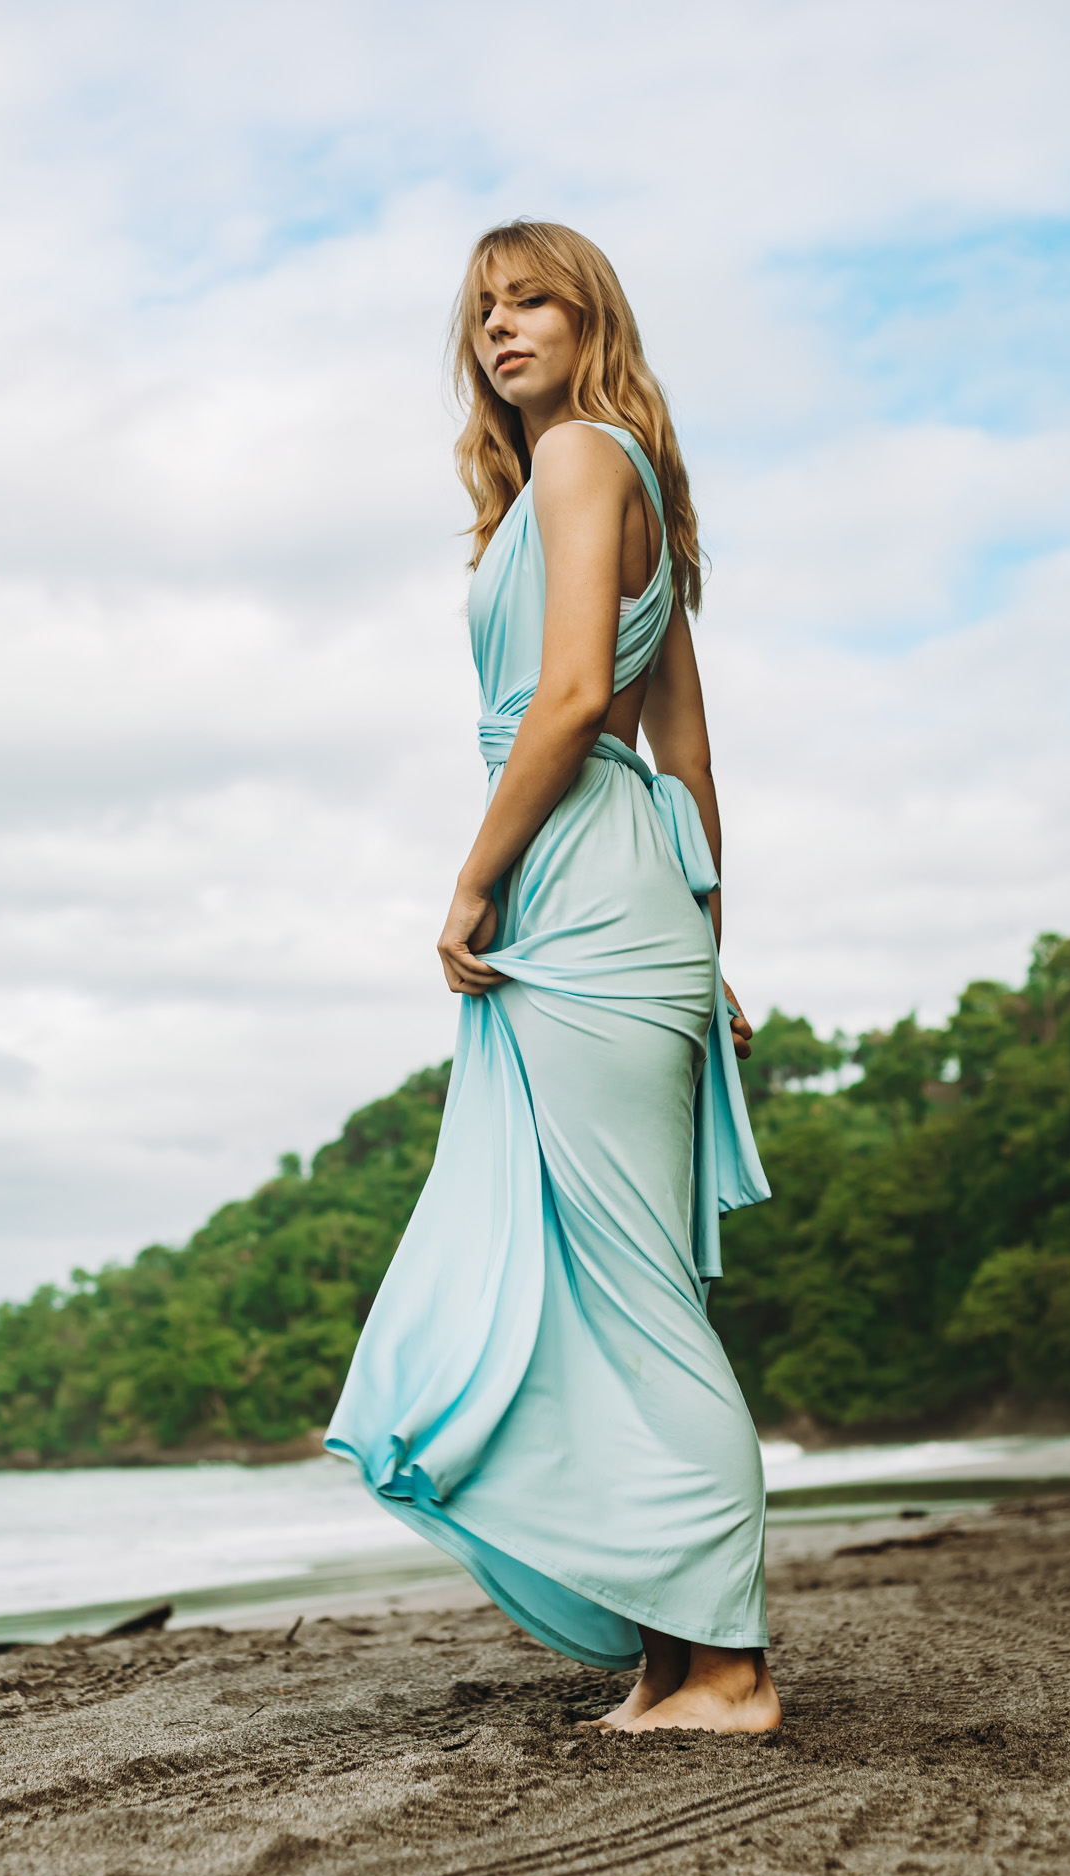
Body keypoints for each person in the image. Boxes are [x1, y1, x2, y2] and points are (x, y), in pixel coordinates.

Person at [327, 220, 780, 1734]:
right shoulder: (583, 484)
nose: (500, 329)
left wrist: (471, 874)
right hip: (616, 908)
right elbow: (689, 749)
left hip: (578, 904)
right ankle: (671, 1656)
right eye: (481, 311)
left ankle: (724, 1669)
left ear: (592, 322)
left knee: (633, 1295)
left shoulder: (586, 455)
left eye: (531, 302)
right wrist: (705, 946)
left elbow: (583, 697)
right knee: (597, 1289)